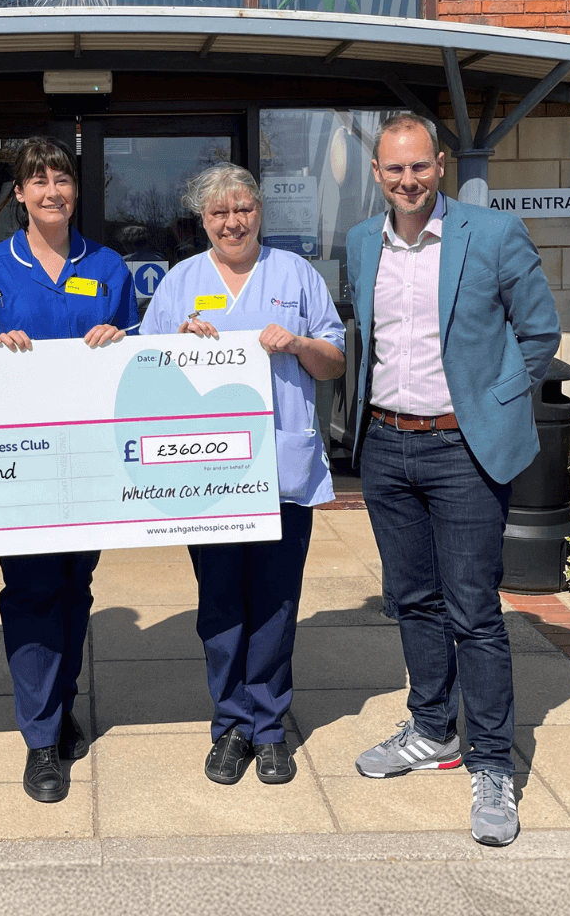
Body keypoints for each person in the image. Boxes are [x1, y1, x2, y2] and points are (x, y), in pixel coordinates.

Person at [345, 113, 560, 847]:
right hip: (386, 445)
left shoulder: (490, 234)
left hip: (460, 449)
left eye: (419, 167)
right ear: (376, 173)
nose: (407, 180)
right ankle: (432, 727)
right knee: (412, 600)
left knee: (473, 609)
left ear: (438, 164)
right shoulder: (359, 242)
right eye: (393, 170)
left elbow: (539, 332)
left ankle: (493, 762)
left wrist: (495, 403)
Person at [141, 163, 346, 785]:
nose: (233, 223)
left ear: (261, 212)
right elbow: (145, 370)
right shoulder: (180, 283)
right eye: (219, 213)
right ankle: (230, 725)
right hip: (208, 477)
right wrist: (176, 342)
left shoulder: (296, 275)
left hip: (281, 469)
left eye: (243, 210)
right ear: (202, 221)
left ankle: (270, 727)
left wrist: (299, 345)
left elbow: (335, 361)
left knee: (278, 602)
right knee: (223, 603)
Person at [0, 136, 138, 803]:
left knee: (74, 588)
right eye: (38, 180)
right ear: (21, 193)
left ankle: (57, 708)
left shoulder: (109, 267)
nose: (51, 190)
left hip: (90, 466)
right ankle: (39, 741)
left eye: (61, 178)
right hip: (20, 468)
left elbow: (136, 365)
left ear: (75, 189)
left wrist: (123, 341)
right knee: (32, 592)